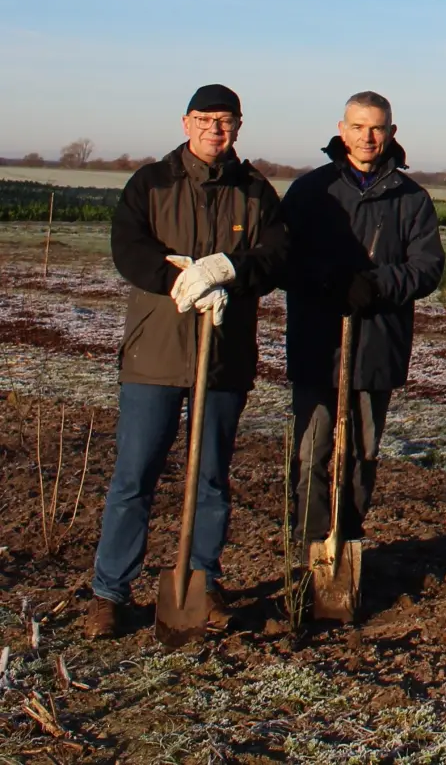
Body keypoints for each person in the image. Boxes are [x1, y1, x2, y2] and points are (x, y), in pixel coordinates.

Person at [85, 84, 289, 639]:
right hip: (155, 352)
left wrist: (228, 269)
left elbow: (276, 256)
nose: (213, 130)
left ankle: (204, 580)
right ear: (185, 122)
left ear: (239, 127)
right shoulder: (150, 183)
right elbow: (128, 248)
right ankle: (110, 592)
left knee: (212, 478)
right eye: (203, 119)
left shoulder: (255, 191)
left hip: (223, 357)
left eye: (224, 121)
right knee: (135, 476)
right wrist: (181, 279)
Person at [280, 91, 444, 553]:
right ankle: (310, 542)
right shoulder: (311, 191)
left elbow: (427, 266)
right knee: (311, 449)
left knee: (362, 452)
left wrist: (375, 285)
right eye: (357, 126)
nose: (367, 136)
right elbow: (283, 257)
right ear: (341, 129)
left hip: (378, 343)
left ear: (391, 132)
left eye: (376, 128)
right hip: (318, 340)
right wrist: (329, 280)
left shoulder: (411, 199)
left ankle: (346, 538)